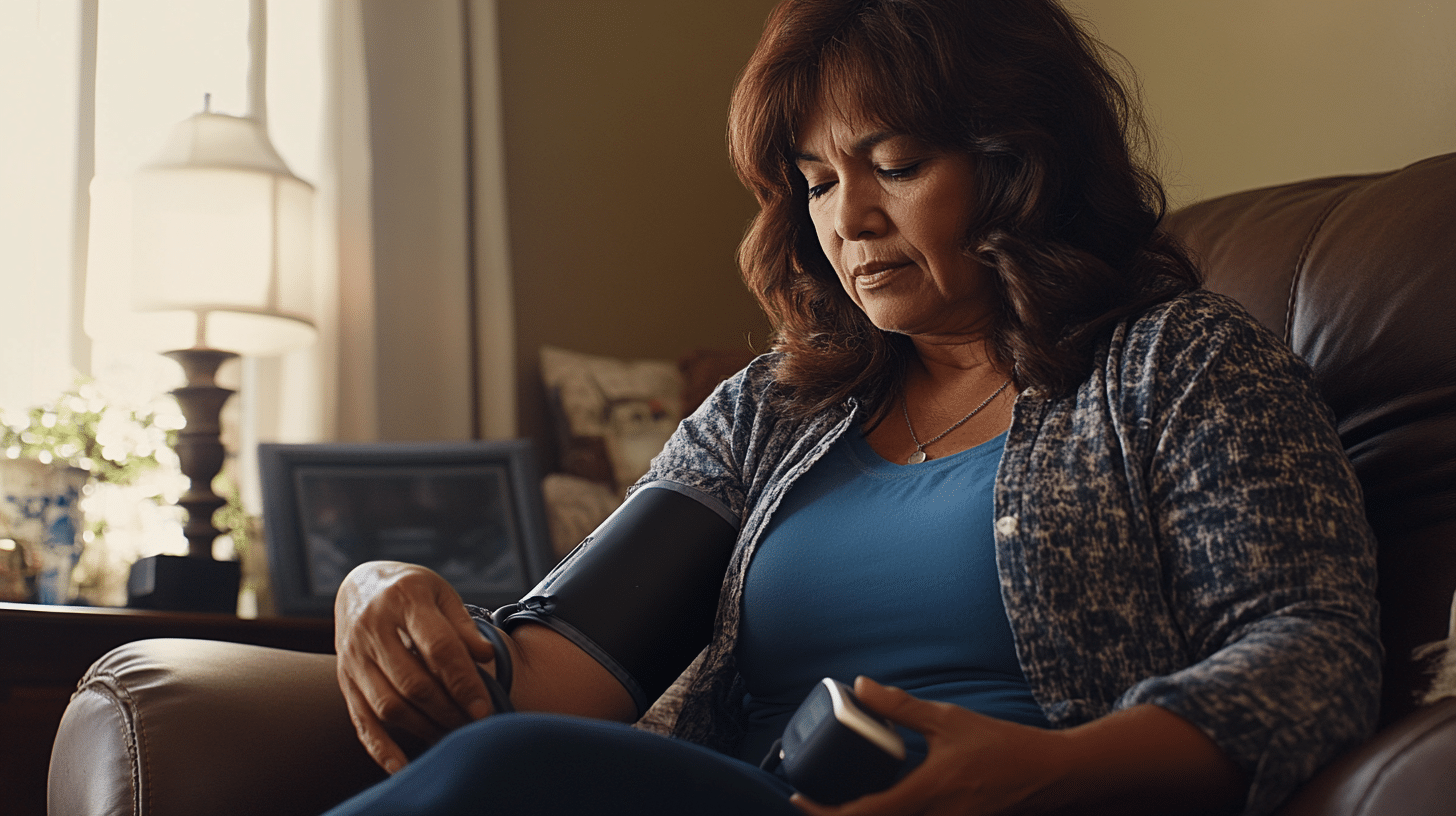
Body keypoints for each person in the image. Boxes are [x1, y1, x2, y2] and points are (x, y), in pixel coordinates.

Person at [325, 1, 1381, 814]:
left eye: (896, 165)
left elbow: (1313, 653)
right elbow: (548, 681)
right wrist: (381, 594)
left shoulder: (1180, 364)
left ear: (1021, 165)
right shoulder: (775, 409)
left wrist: (1053, 772)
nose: (850, 219)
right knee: (506, 755)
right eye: (818, 181)